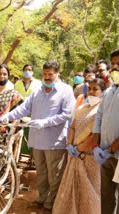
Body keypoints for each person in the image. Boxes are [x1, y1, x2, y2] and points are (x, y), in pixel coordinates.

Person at [0, 60, 76, 211]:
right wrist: (6, 116)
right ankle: (41, 198)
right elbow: (24, 109)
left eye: (50, 74)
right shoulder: (37, 91)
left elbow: (67, 114)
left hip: (55, 142)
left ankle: (50, 204)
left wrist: (45, 122)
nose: (47, 77)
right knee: (40, 172)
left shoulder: (66, 90)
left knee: (54, 175)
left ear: (57, 75)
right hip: (37, 140)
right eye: (45, 74)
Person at [52, 78, 106, 214]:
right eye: (90, 89)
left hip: (89, 158)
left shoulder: (101, 111)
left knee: (89, 191)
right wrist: (69, 144)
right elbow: (72, 127)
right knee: (71, 188)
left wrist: (78, 149)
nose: (92, 92)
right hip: (74, 157)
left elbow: (95, 135)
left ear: (102, 92)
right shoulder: (82, 108)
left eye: (96, 89)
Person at [92, 49, 119, 214]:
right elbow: (99, 118)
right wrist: (96, 145)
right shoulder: (109, 91)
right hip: (104, 154)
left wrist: (110, 149)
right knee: (106, 198)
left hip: (115, 155)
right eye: (113, 64)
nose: (115, 67)